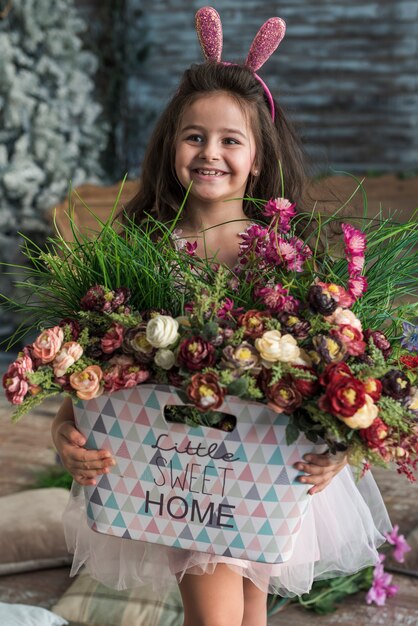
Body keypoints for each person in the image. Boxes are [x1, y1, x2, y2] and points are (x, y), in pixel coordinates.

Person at [51, 8, 391, 626]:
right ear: (170, 145)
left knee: (247, 608)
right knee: (217, 607)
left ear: (257, 157)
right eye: (194, 136)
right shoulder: (146, 247)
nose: (211, 152)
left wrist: (340, 443)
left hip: (259, 463)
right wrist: (64, 429)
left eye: (231, 139)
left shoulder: (281, 252)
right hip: (183, 467)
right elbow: (88, 356)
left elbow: (335, 366)